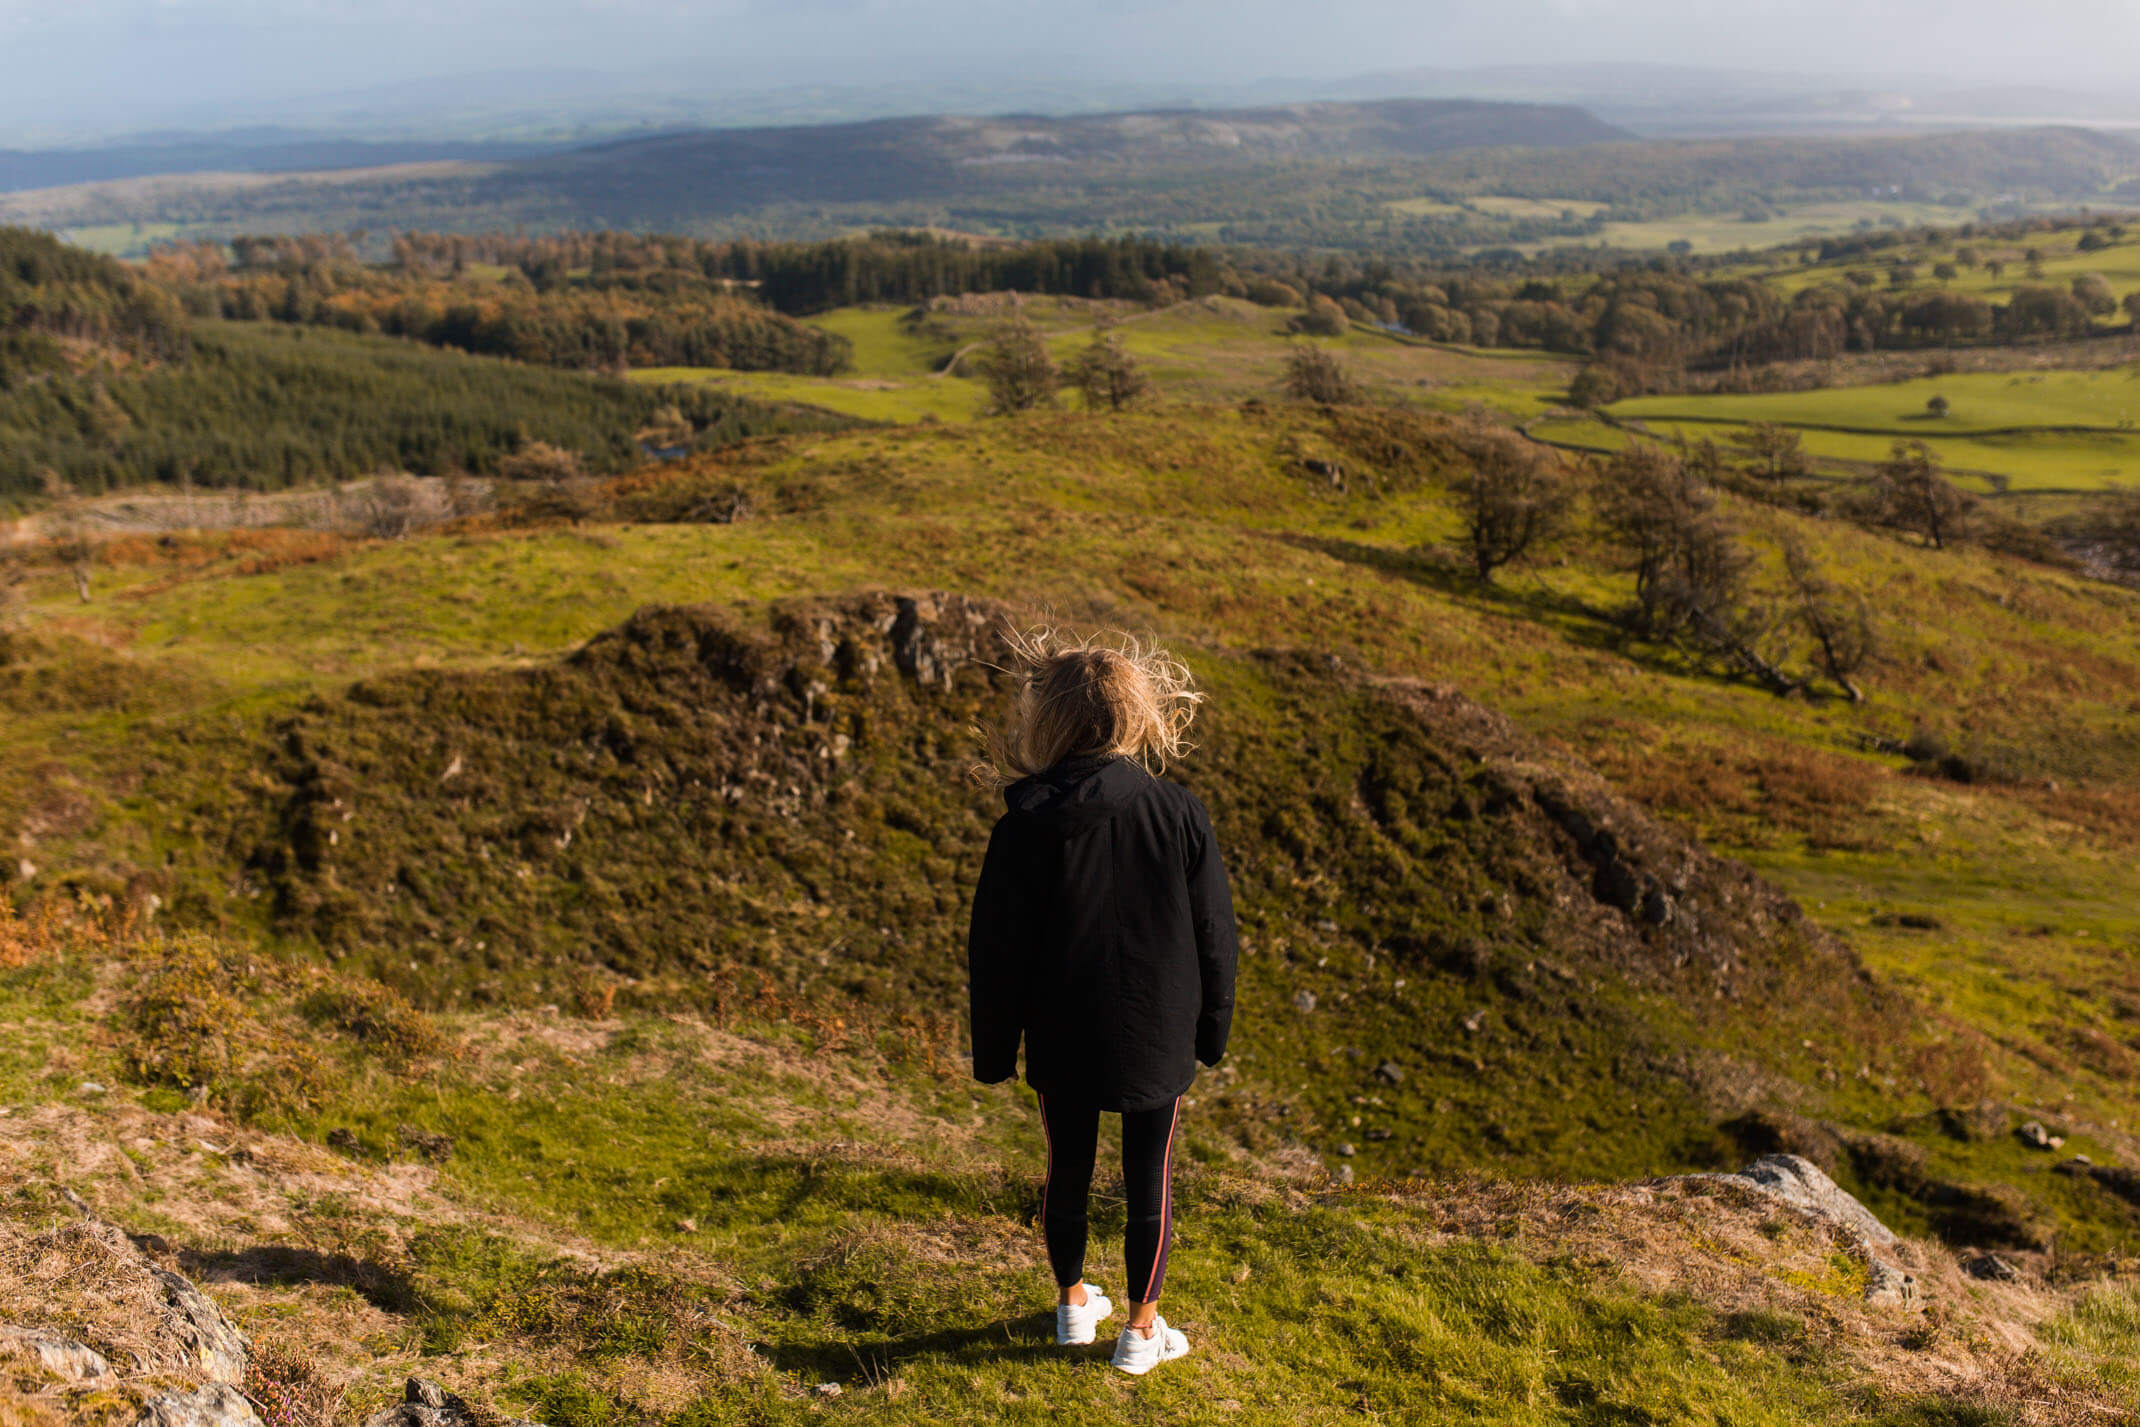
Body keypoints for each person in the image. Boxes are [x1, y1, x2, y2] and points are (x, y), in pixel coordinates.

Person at [967, 630, 1239, 1376]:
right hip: (1158, 1027)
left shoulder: (1020, 826)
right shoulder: (1180, 812)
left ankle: (1072, 1304)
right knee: (1149, 1176)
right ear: (1136, 714)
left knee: (1068, 1167)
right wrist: (1212, 1030)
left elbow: (995, 950)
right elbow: (1216, 932)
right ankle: (1141, 1329)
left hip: (1061, 1026)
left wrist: (994, 1052)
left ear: (1049, 719)